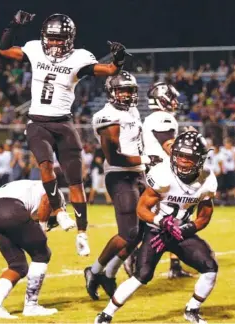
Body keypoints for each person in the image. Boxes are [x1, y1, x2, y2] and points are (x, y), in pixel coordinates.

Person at [0, 10, 130, 255]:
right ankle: (58, 210)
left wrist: (119, 59)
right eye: (52, 38)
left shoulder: (79, 58)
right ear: (44, 36)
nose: (56, 43)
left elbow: (110, 70)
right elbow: (5, 50)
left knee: (76, 181)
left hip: (64, 124)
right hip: (38, 122)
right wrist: (13, 25)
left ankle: (82, 233)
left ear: (69, 39)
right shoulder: (35, 49)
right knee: (45, 165)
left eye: (60, 39)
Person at [95, 131, 218, 324]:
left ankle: (192, 310)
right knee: (142, 275)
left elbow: (204, 216)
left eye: (190, 157)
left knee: (210, 268)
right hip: (157, 230)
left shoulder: (207, 179)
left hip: (181, 232)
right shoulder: (163, 174)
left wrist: (185, 230)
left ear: (201, 159)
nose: (184, 161)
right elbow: (141, 208)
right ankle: (105, 314)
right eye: (180, 155)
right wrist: (161, 221)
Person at [84, 71, 162, 300]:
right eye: (122, 90)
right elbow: (114, 158)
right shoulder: (106, 116)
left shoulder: (133, 111)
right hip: (120, 176)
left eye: (130, 90)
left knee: (140, 233)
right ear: (111, 92)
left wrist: (146, 162)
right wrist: (148, 160)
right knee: (128, 232)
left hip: (138, 174)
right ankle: (94, 270)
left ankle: (109, 273)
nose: (127, 95)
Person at [0, 180, 66, 319]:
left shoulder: (29, 186)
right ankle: (31, 306)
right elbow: (46, 200)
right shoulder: (56, 194)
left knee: (18, 265)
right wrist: (43, 227)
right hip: (12, 209)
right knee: (42, 253)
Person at [124, 82, 192, 278]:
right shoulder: (163, 118)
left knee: (175, 217)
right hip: (163, 175)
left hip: (160, 172)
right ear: (162, 99)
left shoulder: (157, 118)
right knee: (166, 218)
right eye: (171, 97)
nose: (174, 101)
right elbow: (169, 147)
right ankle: (131, 253)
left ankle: (174, 263)